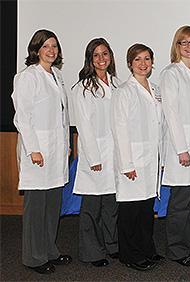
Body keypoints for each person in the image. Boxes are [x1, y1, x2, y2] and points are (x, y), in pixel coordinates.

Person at [11, 29, 72, 274]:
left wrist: (66, 143)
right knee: (36, 208)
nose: (51, 50)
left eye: (54, 46)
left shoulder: (57, 75)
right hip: (37, 152)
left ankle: (49, 250)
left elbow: (62, 115)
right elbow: (23, 117)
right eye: (46, 46)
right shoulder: (27, 77)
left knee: (51, 206)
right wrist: (33, 149)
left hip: (56, 151)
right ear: (36, 49)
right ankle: (34, 257)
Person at [109, 43, 165, 271]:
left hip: (151, 160)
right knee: (131, 212)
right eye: (138, 59)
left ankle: (146, 250)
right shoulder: (124, 92)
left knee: (146, 210)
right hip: (132, 161)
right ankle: (130, 255)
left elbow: (159, 126)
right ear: (130, 63)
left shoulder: (156, 90)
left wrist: (161, 158)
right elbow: (119, 130)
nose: (143, 64)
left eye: (147, 59)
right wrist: (127, 164)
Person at [159, 26, 190, 267]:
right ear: (176, 46)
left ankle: (187, 244)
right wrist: (181, 148)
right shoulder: (171, 73)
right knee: (180, 201)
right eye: (184, 42)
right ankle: (176, 250)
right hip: (183, 148)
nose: (189, 46)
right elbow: (171, 113)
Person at [72, 38, 120, 267]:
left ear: (110, 56)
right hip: (96, 155)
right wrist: (93, 157)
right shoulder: (83, 88)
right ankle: (92, 252)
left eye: (105, 54)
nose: (102, 59)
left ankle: (112, 246)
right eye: (96, 55)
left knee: (111, 205)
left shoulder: (118, 84)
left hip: (115, 155)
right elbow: (83, 125)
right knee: (92, 207)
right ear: (90, 60)